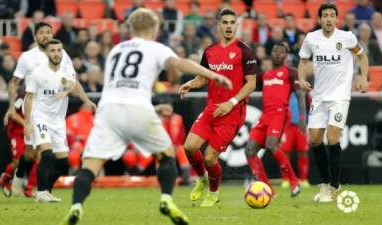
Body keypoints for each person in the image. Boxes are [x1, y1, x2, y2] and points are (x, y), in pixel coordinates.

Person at [61, 8, 232, 225]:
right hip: (138, 108)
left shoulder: (116, 49)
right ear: (155, 28)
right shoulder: (155, 47)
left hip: (108, 110)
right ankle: (167, 199)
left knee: (90, 166)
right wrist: (213, 75)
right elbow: (178, 64)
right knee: (167, 156)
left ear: (131, 28)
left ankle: (76, 206)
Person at [3, 22, 96, 198]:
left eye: (48, 32)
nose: (45, 35)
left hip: (55, 111)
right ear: (35, 36)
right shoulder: (27, 58)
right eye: (42, 33)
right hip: (33, 108)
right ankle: (34, 187)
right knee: (37, 153)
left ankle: (22, 179)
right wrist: (11, 108)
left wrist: (81, 97)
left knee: (35, 154)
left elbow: (72, 81)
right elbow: (14, 83)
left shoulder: (61, 54)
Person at [179, 8, 257, 208]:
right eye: (225, 22)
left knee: (210, 157)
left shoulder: (244, 50)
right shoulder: (210, 51)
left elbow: (251, 84)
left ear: (237, 25)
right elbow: (203, 77)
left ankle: (213, 193)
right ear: (219, 26)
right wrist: (191, 83)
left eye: (232, 22)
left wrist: (230, 102)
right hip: (211, 108)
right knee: (189, 147)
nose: (229, 26)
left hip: (232, 113)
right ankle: (202, 179)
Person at [298, 3, 369, 203]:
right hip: (319, 97)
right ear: (320, 19)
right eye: (325, 16)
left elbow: (362, 57)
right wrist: (302, 78)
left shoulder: (347, 38)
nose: (328, 19)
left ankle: (334, 186)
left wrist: (364, 78)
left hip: (339, 96)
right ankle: (325, 183)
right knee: (314, 140)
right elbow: (303, 61)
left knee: (332, 138)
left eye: (332, 16)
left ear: (336, 18)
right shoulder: (311, 39)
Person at [245, 43, 304, 197]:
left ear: (286, 56)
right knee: (249, 150)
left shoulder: (290, 72)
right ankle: (267, 189)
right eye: (275, 51)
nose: (277, 54)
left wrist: (303, 118)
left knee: (272, 145)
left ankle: (294, 181)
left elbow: (300, 95)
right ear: (270, 53)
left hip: (280, 113)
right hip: (265, 116)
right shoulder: (264, 75)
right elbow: (247, 82)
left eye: (281, 52)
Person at [24, 39, 76, 202]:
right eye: (52, 51)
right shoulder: (37, 73)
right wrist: (27, 122)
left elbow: (73, 84)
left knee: (63, 163)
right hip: (40, 118)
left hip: (58, 121)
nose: (56, 54)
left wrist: (66, 91)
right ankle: (40, 193)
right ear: (47, 53)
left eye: (59, 50)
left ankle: (47, 191)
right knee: (46, 154)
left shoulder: (67, 69)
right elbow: (29, 97)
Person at [1, 84, 37, 198]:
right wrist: (25, 123)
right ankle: (6, 179)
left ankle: (29, 188)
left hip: (31, 133)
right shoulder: (22, 98)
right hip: (17, 133)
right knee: (18, 162)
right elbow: (13, 113)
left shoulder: (41, 99)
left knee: (38, 156)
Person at [279, 93, 310, 189]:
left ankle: (304, 179)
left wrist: (307, 122)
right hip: (287, 126)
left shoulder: (304, 93)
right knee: (285, 152)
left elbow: (310, 107)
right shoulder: (285, 89)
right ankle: (285, 179)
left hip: (301, 126)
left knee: (303, 152)